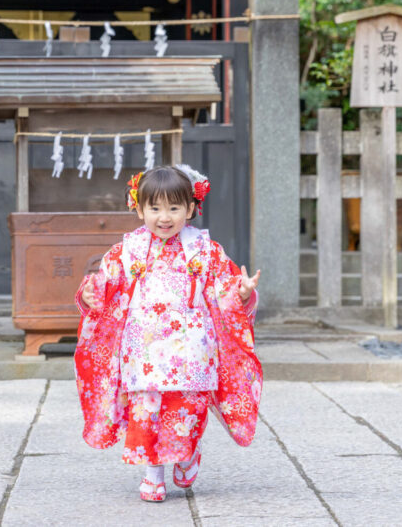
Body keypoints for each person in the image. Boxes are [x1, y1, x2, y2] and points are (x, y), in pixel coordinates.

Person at [74, 164, 263, 502]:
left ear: (190, 208)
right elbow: (106, 283)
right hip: (143, 345)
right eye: (155, 208)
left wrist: (242, 292)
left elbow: (224, 288)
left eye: (174, 207)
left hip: (190, 346)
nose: (165, 217)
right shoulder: (127, 250)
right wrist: (91, 294)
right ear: (139, 208)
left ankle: (187, 452)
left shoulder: (204, 250)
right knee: (145, 408)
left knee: (187, 407)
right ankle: (152, 474)